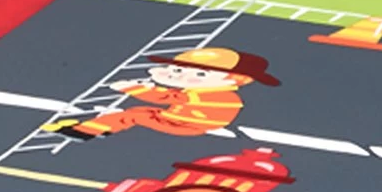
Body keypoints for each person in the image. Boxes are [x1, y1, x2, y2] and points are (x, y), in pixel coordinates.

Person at [44, 47, 279, 141]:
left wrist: (129, 87)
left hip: (185, 124)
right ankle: (96, 129)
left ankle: (83, 131)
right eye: (178, 69)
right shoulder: (213, 91)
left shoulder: (212, 95)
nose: (180, 75)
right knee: (139, 112)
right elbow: (170, 95)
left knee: (136, 114)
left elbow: (165, 97)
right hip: (180, 119)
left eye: (200, 73)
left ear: (234, 79)